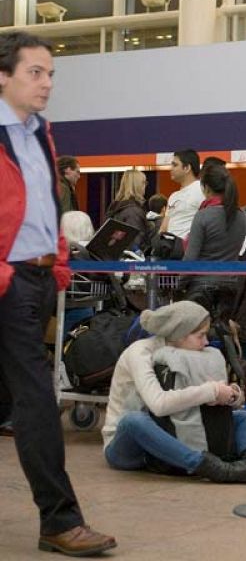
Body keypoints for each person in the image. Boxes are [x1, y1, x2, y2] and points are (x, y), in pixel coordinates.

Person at [0, 31, 115, 556]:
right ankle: (59, 519)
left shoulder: (41, 133)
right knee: (36, 400)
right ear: (4, 76)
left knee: (11, 397)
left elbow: (43, 205)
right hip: (9, 283)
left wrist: (60, 263)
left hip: (40, 279)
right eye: (35, 73)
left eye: (51, 74)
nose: (47, 83)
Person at [102, 301, 246, 483]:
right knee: (133, 421)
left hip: (174, 427)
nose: (207, 342)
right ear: (179, 335)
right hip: (130, 444)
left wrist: (231, 394)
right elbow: (159, 404)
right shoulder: (140, 353)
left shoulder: (189, 352)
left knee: (245, 417)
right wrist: (210, 391)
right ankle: (213, 468)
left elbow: (222, 395)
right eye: (200, 336)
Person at [182, 164, 246, 322]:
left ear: (205, 187)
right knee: (221, 334)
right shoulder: (242, 215)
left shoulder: (203, 216)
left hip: (201, 286)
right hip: (230, 285)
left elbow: (190, 259)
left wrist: (180, 283)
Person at [161, 149, 204, 239]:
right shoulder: (173, 196)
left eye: (175, 165)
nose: (171, 168)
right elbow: (164, 228)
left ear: (187, 168)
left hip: (188, 249)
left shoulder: (202, 190)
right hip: (169, 248)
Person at [106, 169, 149, 250]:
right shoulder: (134, 212)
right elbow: (135, 244)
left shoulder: (115, 208)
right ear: (137, 185)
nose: (145, 186)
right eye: (144, 183)